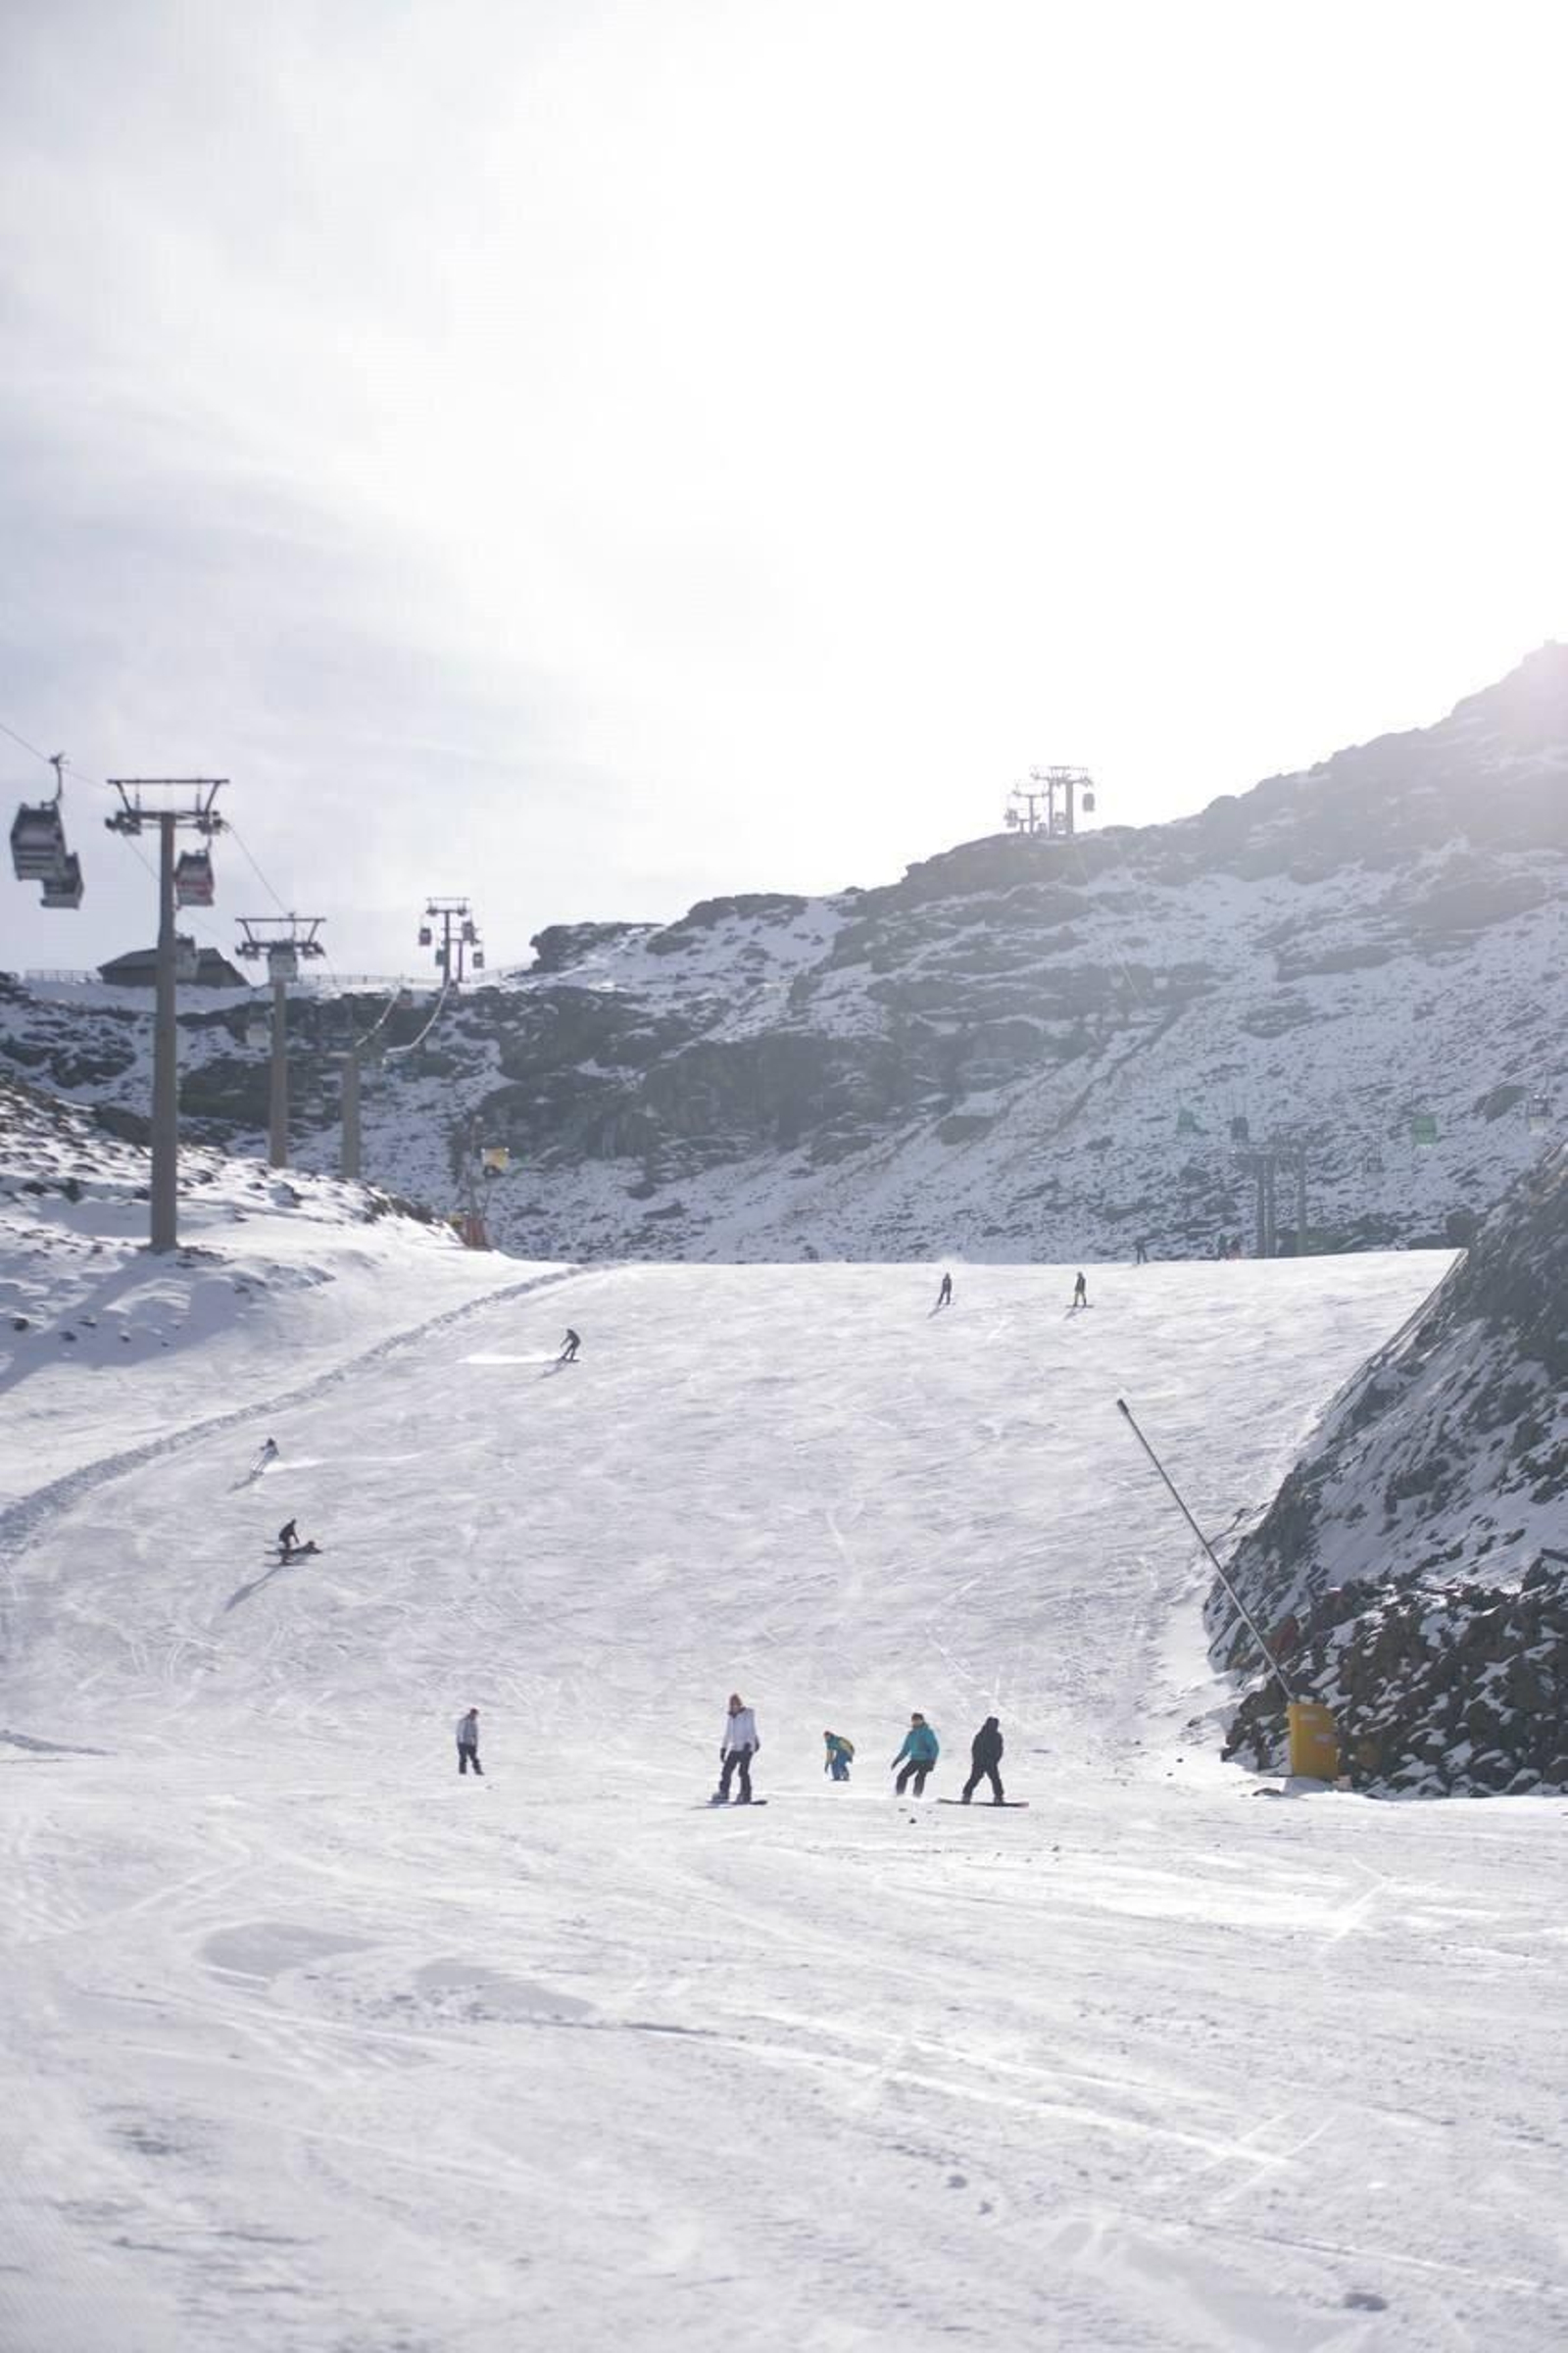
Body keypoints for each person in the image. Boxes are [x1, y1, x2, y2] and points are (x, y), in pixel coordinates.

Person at [717, 1692, 760, 1803]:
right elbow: (727, 1734)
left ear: (740, 1704)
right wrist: (723, 1748)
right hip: (736, 1748)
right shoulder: (731, 1717)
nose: (734, 1706)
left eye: (736, 1704)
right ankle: (724, 1792)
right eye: (732, 1705)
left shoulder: (747, 1715)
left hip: (747, 1747)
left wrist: (748, 1744)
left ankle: (745, 1794)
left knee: (742, 1771)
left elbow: (751, 1730)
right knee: (727, 1770)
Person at [891, 1712, 940, 1796]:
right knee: (902, 1776)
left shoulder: (927, 1732)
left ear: (922, 1720)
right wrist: (897, 1759)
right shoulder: (911, 1734)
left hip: (925, 1760)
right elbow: (905, 1749)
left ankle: (916, 1796)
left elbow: (934, 1748)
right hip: (914, 1760)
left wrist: (932, 1761)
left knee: (919, 1778)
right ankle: (899, 1794)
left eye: (918, 1720)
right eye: (914, 1720)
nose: (915, 1722)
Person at [960, 1716, 1005, 1804]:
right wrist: (978, 1760)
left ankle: (999, 1797)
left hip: (991, 1763)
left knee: (996, 1780)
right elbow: (975, 1749)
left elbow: (999, 1750)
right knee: (974, 1779)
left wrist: (995, 1760)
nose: (993, 1726)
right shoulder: (981, 1735)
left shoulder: (997, 1736)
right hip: (979, 1763)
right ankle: (966, 1795)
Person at [456, 1706, 482, 1776]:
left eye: (476, 1714)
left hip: (471, 1743)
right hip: (462, 1743)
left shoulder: (474, 1722)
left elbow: (475, 1734)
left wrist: (475, 1743)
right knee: (463, 1758)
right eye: (474, 1714)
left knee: (474, 1758)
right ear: (471, 1713)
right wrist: (462, 1742)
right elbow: (460, 1732)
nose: (475, 1716)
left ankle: (478, 1770)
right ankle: (462, 1772)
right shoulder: (464, 1721)